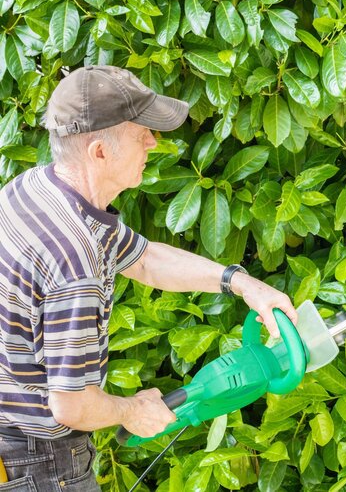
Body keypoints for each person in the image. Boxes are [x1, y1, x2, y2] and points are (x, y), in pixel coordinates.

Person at [0, 65, 298, 491]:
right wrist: (130, 410)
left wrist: (241, 282)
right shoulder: (73, 258)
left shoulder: (35, 189)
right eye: (140, 132)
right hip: (41, 465)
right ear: (99, 151)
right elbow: (71, 405)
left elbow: (145, 260)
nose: (152, 142)